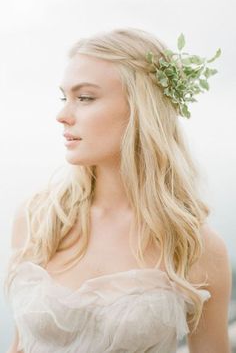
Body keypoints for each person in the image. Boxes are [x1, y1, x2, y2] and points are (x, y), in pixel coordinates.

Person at [4, 27, 231, 353]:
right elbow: (20, 345)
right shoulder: (38, 218)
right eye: (64, 97)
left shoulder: (195, 246)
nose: (62, 115)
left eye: (84, 98)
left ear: (141, 109)